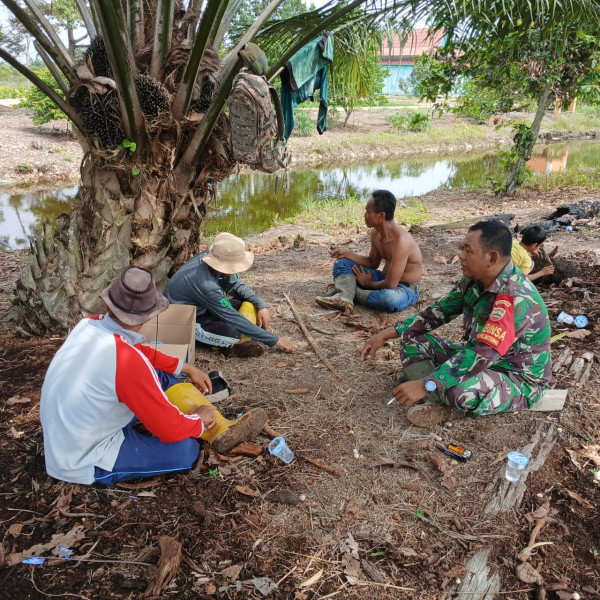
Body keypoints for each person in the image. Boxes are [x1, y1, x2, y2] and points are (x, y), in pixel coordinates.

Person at [40, 266, 266, 486]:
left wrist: (185, 367)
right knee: (186, 450)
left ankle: (211, 426)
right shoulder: (127, 362)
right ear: (147, 317)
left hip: (71, 430)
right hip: (82, 460)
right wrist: (198, 420)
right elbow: (168, 431)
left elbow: (140, 352)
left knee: (161, 375)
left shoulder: (89, 324)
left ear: (108, 305)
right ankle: (211, 426)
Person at [361, 220, 552, 428]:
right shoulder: (475, 280)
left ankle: (438, 398)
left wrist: (428, 383)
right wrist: (385, 334)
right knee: (412, 338)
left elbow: (482, 354)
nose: (460, 256)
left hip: (515, 376)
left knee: (457, 390)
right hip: (481, 359)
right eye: (462, 249)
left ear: (492, 258)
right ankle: (432, 397)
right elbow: (436, 313)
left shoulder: (514, 298)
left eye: (467, 251)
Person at [165, 232, 293, 354]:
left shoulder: (212, 258)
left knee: (247, 303)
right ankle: (228, 347)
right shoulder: (205, 284)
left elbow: (237, 286)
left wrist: (261, 305)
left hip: (203, 308)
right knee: (231, 333)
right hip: (184, 322)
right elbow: (232, 317)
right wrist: (274, 339)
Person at [315, 190, 422, 314]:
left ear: (381, 216)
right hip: (382, 279)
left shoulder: (401, 241)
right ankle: (344, 297)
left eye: (368, 212)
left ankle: (350, 292)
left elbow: (391, 285)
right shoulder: (376, 233)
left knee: (389, 299)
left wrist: (367, 283)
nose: (365, 216)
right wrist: (346, 253)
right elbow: (372, 262)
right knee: (342, 263)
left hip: (403, 289)